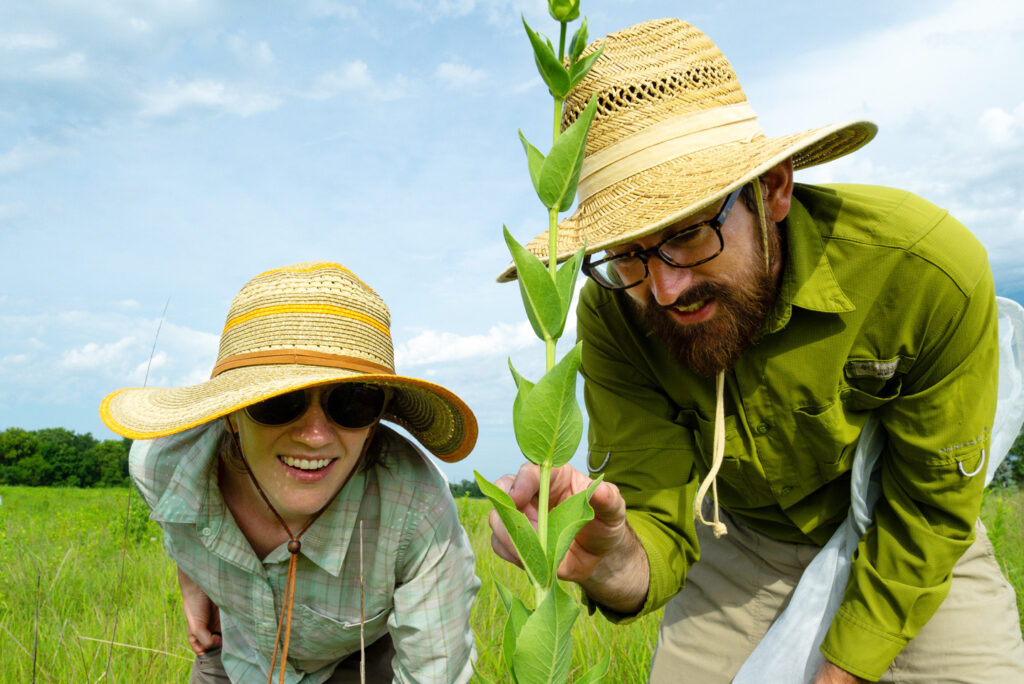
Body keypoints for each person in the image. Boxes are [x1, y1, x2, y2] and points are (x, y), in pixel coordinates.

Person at [490, 18, 1024, 683]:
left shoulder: (921, 271)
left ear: (772, 189)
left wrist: (844, 668)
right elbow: (655, 524)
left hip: (905, 527)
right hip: (740, 543)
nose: (664, 287)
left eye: (688, 233)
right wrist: (608, 556)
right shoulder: (614, 308)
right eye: (627, 253)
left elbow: (932, 505)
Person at [101, 261, 480, 684]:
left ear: (377, 420)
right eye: (278, 402)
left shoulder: (417, 507)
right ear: (230, 414)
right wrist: (194, 583)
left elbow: (433, 671)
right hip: (237, 655)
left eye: (352, 401)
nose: (315, 436)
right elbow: (180, 529)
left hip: (359, 662)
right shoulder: (163, 466)